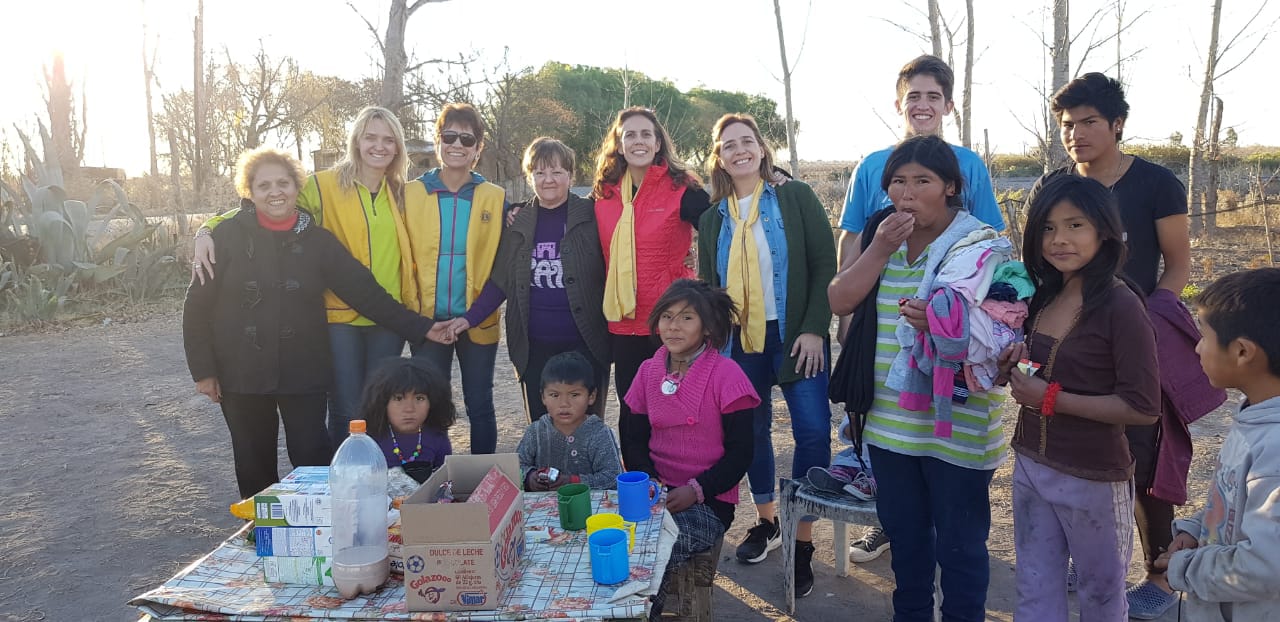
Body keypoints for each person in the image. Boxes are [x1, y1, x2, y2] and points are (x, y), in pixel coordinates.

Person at [183, 147, 440, 499]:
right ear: (250, 191)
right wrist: (204, 371)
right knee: (252, 460)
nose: (275, 192)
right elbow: (197, 307)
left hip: (303, 372)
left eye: (283, 183)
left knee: (312, 456)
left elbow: (365, 292)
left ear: (295, 187)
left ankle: (317, 522)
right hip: (241, 372)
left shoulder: (318, 240)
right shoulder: (225, 237)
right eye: (264, 185)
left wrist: (421, 327)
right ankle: (262, 528)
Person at [1032, 72, 1197, 618]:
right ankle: (1092, 554)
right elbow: (1042, 268)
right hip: (1070, 339)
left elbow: (1177, 264)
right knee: (1077, 445)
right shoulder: (1052, 186)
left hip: (1135, 332)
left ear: (1117, 124)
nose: (1075, 134)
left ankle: (1159, 575)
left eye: (1088, 122)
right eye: (1067, 125)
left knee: (1145, 457)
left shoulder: (1155, 184)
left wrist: (1148, 319)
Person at [826, 135, 1007, 622]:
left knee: (961, 546)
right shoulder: (879, 233)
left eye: (922, 181)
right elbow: (840, 299)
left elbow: (1003, 327)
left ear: (950, 186)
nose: (906, 194)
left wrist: (945, 325)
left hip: (959, 422)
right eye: (898, 182)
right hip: (890, 422)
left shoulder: (979, 246)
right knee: (906, 543)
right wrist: (879, 249)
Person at [190, 106, 422, 448]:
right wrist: (206, 230)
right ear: (356, 141)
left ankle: (378, 469)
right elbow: (264, 204)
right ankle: (343, 471)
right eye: (370, 137)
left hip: (387, 314)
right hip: (340, 315)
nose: (379, 146)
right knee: (346, 409)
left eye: (389, 139)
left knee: (381, 403)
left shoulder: (403, 193)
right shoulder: (323, 185)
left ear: (398, 146)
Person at [1000, 175, 1160, 619]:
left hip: (1093, 477)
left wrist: (1049, 398)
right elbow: (1041, 372)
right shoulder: (1044, 293)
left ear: (1104, 232)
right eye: (1048, 228)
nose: (1059, 240)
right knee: (1034, 590)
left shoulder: (1121, 306)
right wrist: (1013, 365)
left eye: (1075, 225)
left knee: (1101, 598)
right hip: (1031, 465)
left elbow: (1143, 407)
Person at [694, 113, 836, 596]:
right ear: (719, 158)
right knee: (750, 432)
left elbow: (824, 263)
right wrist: (713, 347)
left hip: (795, 335)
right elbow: (709, 290)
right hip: (739, 342)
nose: (739, 151)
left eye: (746, 141)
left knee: (813, 431)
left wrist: (814, 328)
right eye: (728, 145)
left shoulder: (795, 197)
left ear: (761, 148)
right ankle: (768, 522)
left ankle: (802, 541)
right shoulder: (712, 219)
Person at [443, 137, 610, 421]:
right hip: (534, 348)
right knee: (541, 427)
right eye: (540, 172)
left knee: (588, 426)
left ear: (571, 175)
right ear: (529, 176)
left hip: (586, 344)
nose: (548, 180)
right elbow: (501, 281)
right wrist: (469, 319)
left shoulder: (591, 215)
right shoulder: (518, 222)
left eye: (557, 172)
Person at [622, 279, 758, 621]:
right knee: (611, 543)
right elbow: (632, 438)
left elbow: (741, 454)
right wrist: (650, 482)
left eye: (686, 318)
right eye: (667, 316)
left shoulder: (728, 376)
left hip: (709, 503)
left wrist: (696, 490)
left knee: (655, 552)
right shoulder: (647, 371)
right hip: (654, 495)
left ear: (707, 327)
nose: (673, 326)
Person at [1154, 267, 1280, 622]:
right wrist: (1198, 529)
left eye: (1204, 336)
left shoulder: (1274, 449)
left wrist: (1185, 567)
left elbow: (1265, 566)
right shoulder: (1255, 415)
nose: (1197, 347)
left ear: (1242, 352)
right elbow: (1238, 500)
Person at [592, 107, 713, 465]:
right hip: (624, 322)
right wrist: (515, 211)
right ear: (618, 144)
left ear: (658, 142)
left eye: (646, 134)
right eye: (630, 135)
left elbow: (720, 226)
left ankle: (681, 483)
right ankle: (639, 485)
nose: (638, 141)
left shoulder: (681, 188)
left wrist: (701, 274)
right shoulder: (604, 194)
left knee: (677, 408)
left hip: (672, 322)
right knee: (633, 413)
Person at [403, 102, 508, 455]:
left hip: (477, 319)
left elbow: (503, 265)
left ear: (478, 147)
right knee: (431, 405)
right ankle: (438, 476)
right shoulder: (410, 193)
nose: (457, 145)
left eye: (467, 139)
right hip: (427, 320)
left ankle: (482, 477)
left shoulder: (495, 197)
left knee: (480, 403)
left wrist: (471, 316)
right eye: (449, 137)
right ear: (438, 142)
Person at [517, 351, 623, 491]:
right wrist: (529, 477)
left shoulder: (599, 433)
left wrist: (573, 482)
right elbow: (515, 467)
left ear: (591, 396)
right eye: (554, 395)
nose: (564, 404)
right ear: (543, 397)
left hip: (589, 504)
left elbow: (613, 478)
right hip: (540, 504)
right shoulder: (535, 432)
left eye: (574, 395)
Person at [358, 356, 456, 484]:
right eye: (398, 398)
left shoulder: (438, 439)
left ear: (433, 402)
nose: (409, 409)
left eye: (419, 398)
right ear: (382, 402)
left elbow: (445, 485)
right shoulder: (368, 441)